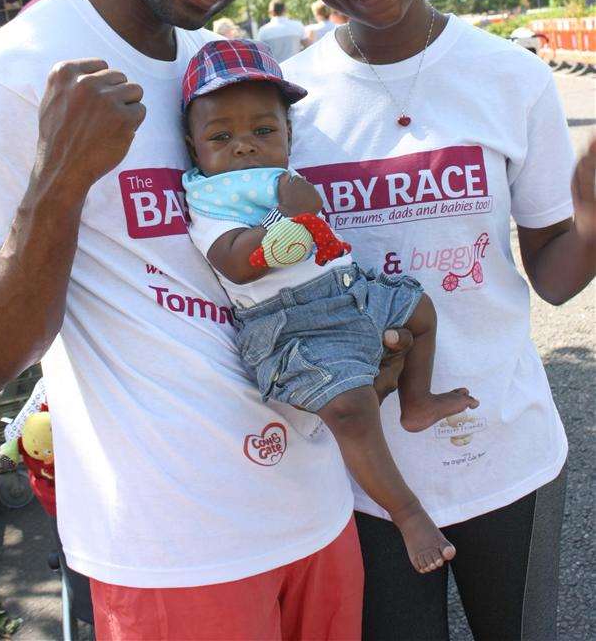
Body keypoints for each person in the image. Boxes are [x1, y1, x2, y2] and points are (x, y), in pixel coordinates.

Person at [0, 0, 406, 641]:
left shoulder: (217, 72)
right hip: (173, 553)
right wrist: (59, 182)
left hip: (314, 509)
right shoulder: (17, 72)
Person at [281, 0, 596, 640]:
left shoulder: (510, 77)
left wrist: (592, 217)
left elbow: (555, 275)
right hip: (362, 482)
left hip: (506, 453)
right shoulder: (286, 105)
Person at [181, 37, 478, 573]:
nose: (243, 146)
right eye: (221, 136)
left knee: (421, 311)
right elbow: (232, 260)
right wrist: (283, 221)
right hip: (290, 325)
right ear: (192, 143)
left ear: (288, 133)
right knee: (351, 408)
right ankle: (409, 514)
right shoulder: (208, 198)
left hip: (347, 290)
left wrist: (296, 210)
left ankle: (418, 402)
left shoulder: (281, 177)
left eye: (263, 131)